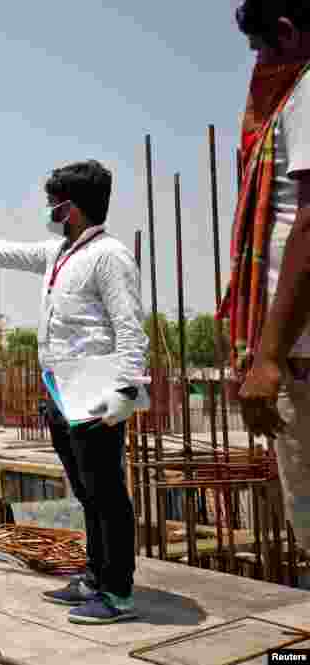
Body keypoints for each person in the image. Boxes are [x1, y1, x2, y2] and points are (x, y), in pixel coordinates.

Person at [0, 161, 149, 624]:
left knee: (106, 493)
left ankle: (118, 591)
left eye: (53, 204)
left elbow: (129, 327)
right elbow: (1, 252)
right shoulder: (59, 253)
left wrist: (127, 388)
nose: (48, 211)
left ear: (72, 208)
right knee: (85, 491)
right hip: (62, 392)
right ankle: (95, 574)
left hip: (96, 393)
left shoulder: (110, 256)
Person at [225, 0, 310, 555]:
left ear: (284, 32)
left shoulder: (308, 93)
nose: (257, 64)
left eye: (258, 49)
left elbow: (309, 221)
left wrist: (270, 356)